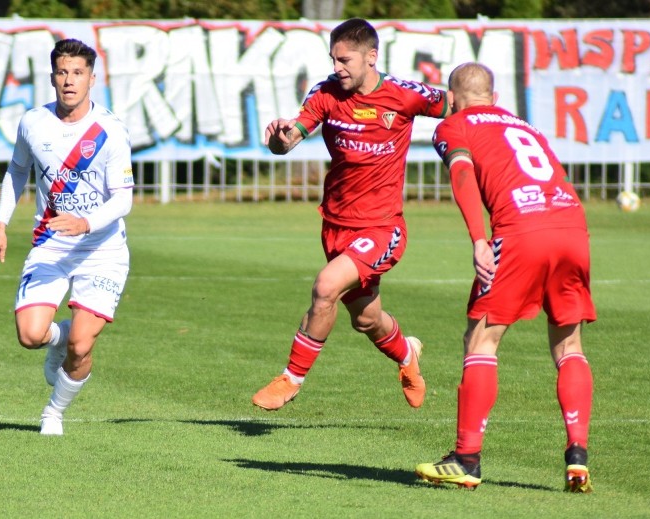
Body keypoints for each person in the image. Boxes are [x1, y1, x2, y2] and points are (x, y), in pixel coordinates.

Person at [414, 63, 596, 492]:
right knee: (569, 344)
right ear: (493, 98)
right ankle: (577, 456)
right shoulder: (525, 126)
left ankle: (466, 458)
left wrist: (479, 238)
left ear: (452, 98)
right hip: (573, 228)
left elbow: (462, 174)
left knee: (481, 337)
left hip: (520, 233)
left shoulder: (453, 124)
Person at [251, 18, 450, 411]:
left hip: (382, 227)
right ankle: (408, 355)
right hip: (336, 226)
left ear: (371, 57)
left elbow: (459, 104)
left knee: (325, 287)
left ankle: (290, 379)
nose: (337, 67)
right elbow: (289, 140)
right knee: (367, 320)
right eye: (333, 59)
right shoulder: (326, 93)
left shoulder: (404, 95)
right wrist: (279, 137)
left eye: (345, 60)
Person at [0, 38, 135, 436]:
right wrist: (1, 224)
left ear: (92, 78)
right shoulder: (33, 122)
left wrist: (86, 223)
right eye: (63, 72)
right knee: (31, 335)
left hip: (102, 249)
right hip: (51, 244)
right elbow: (17, 171)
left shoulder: (110, 131)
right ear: (53, 77)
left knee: (82, 346)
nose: (70, 81)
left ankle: (53, 412)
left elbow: (123, 200)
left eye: (78, 73)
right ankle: (58, 337)